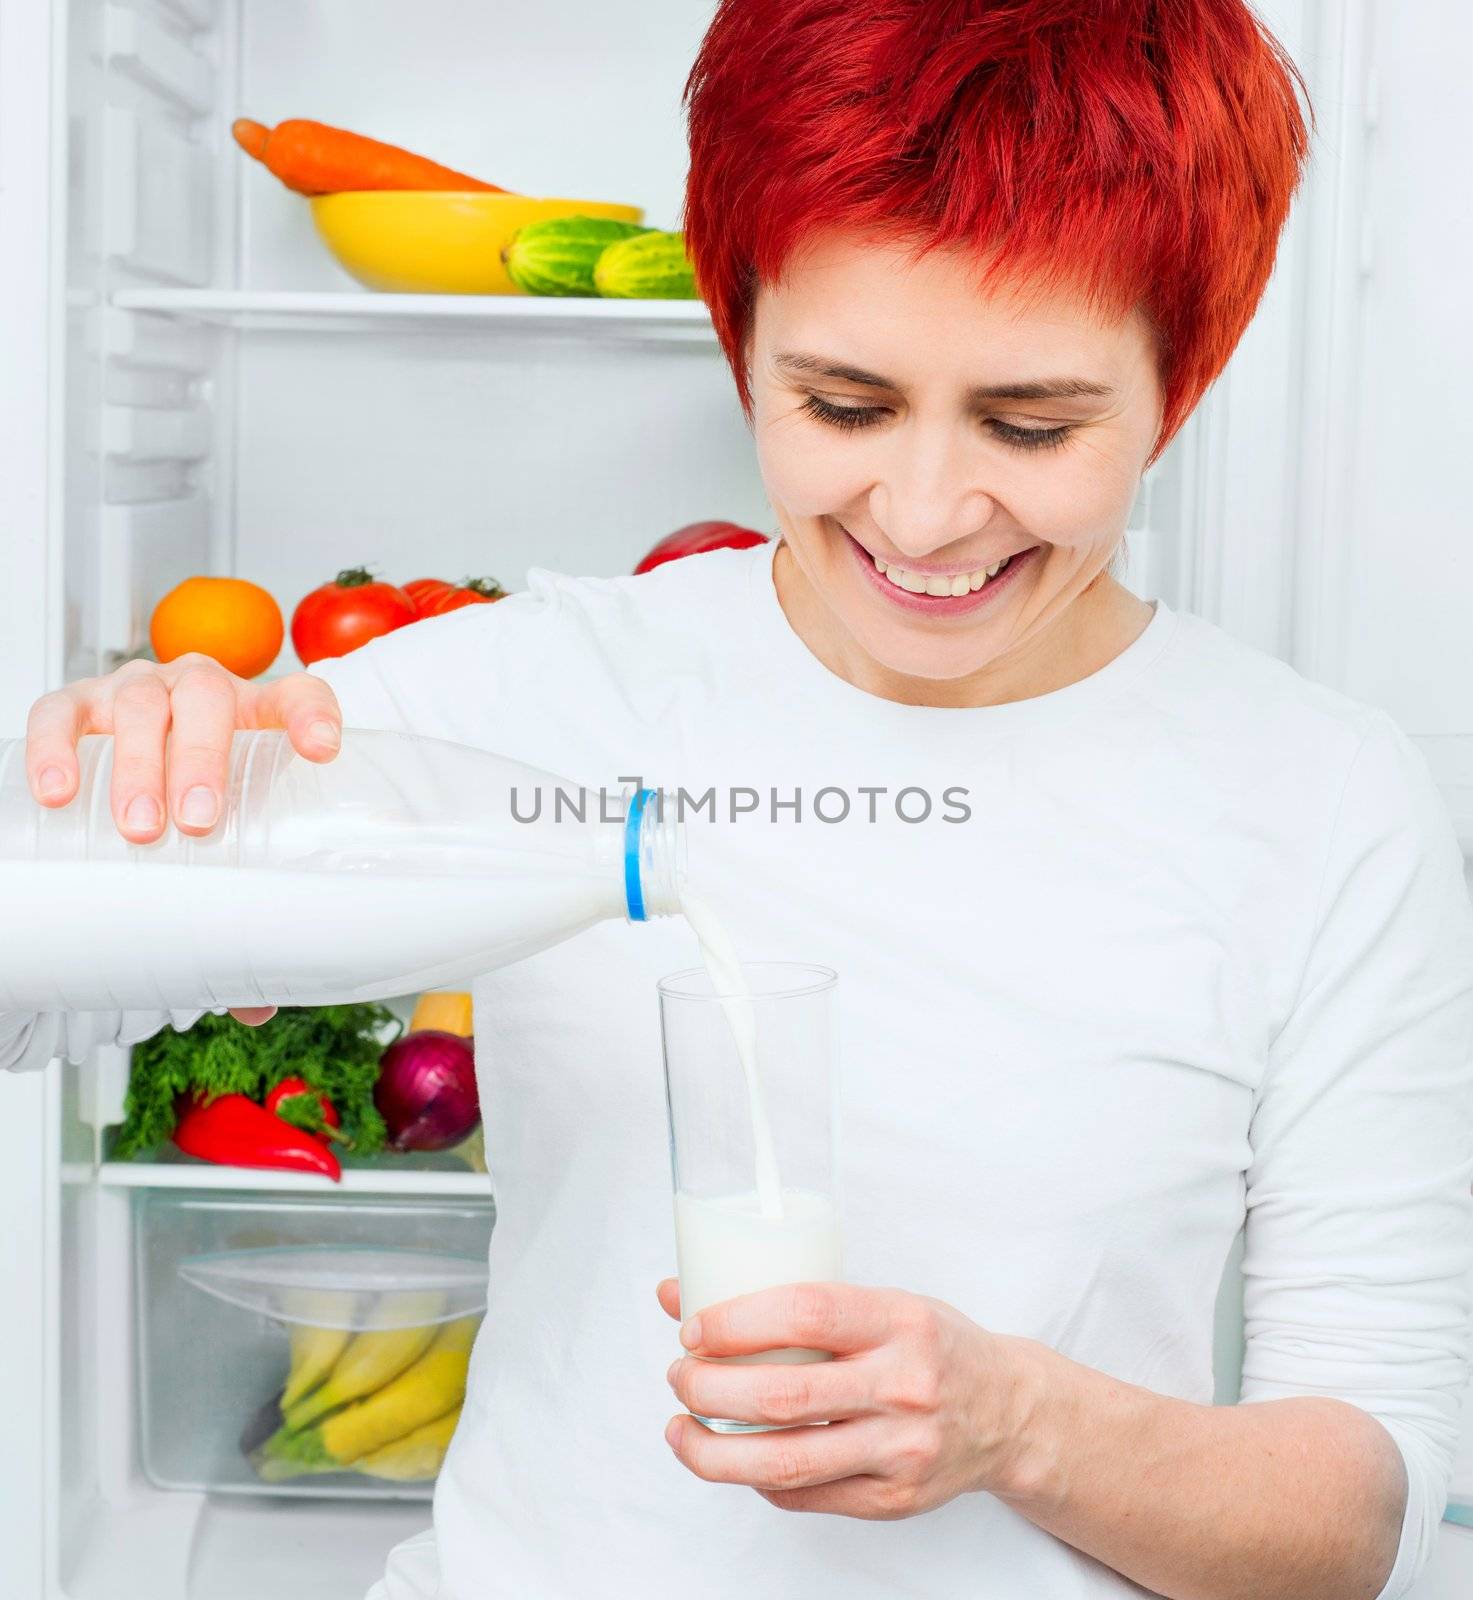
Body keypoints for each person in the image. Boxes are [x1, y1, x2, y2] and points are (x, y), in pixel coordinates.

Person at [5, 1, 1472, 1596]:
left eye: (1031, 425)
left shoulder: (1318, 800)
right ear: (737, 336)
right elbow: (31, 1001)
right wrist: (108, 798)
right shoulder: (535, 692)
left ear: (1176, 385)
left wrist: (1018, 1427)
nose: (922, 514)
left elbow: (1353, 1524)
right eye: (840, 407)